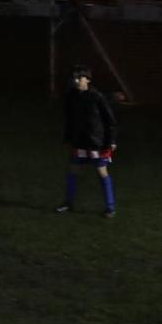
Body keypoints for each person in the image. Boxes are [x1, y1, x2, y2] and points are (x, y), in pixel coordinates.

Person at [57, 65, 118, 218]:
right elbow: (69, 119)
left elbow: (109, 120)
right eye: (74, 78)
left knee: (101, 172)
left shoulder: (97, 96)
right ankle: (68, 203)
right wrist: (68, 137)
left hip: (95, 142)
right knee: (73, 170)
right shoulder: (71, 95)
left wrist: (111, 140)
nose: (76, 81)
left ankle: (110, 207)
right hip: (79, 141)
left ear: (88, 79)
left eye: (79, 77)